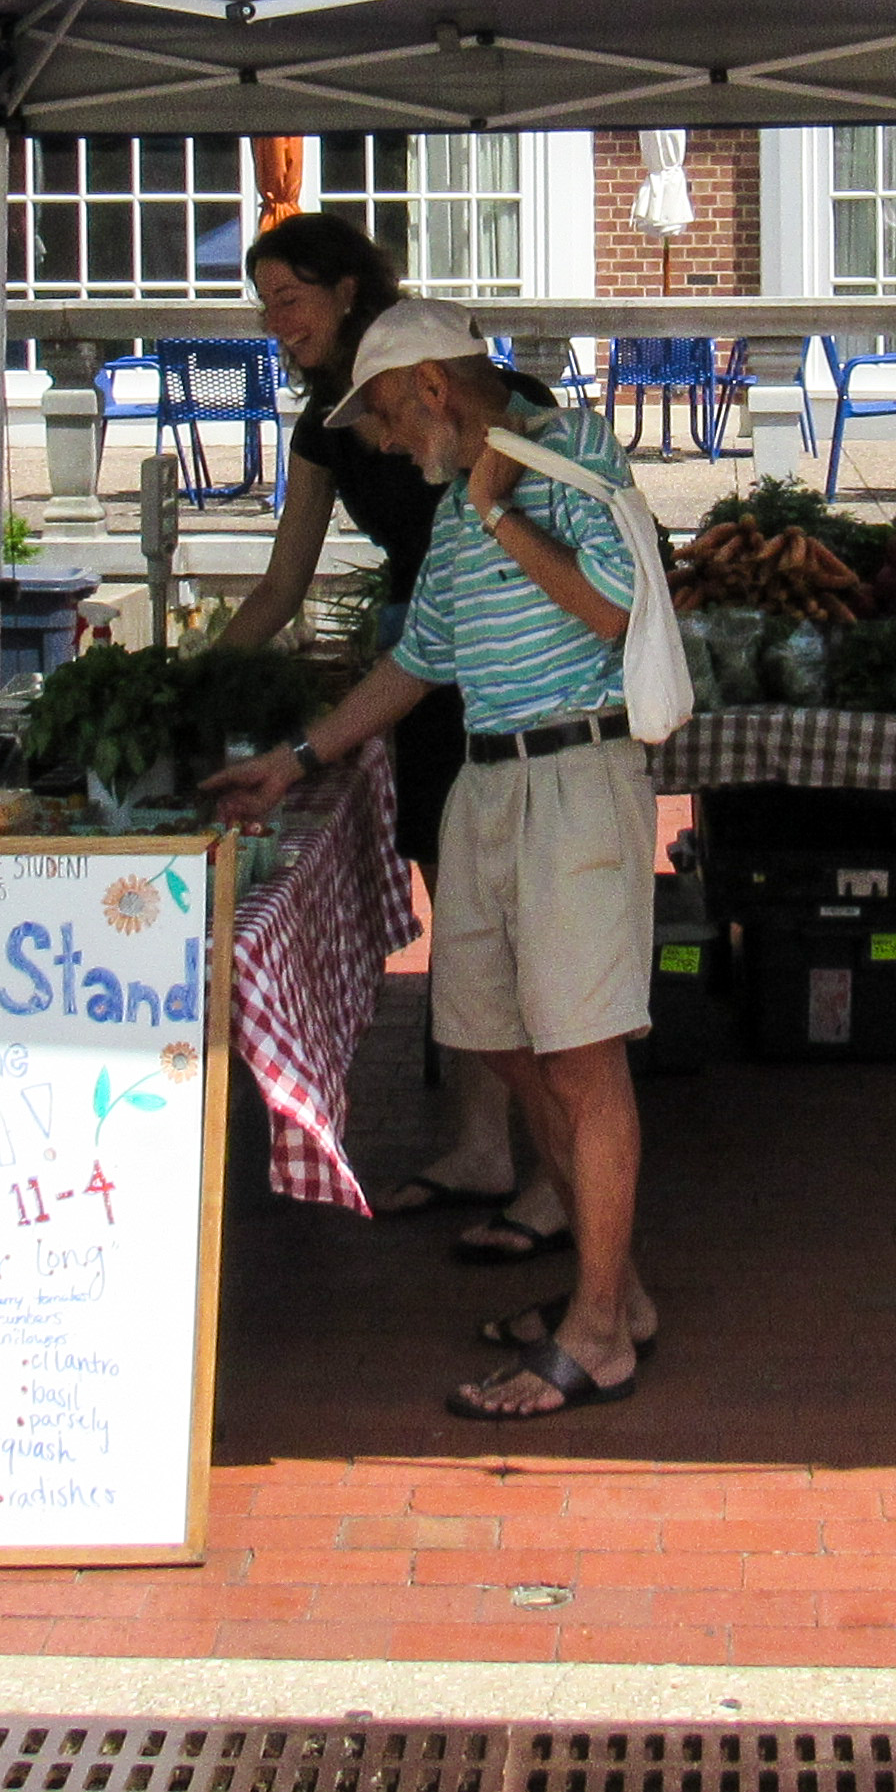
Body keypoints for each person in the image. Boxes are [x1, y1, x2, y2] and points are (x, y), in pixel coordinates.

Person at [209, 302, 655, 1424]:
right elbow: (422, 658)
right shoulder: (461, 502)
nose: (392, 449)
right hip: (489, 783)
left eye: (390, 425)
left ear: (431, 392)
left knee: (585, 1061)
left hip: (575, 779)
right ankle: (619, 1293)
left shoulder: (568, 452)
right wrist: (296, 757)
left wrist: (506, 518)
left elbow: (614, 612)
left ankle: (598, 1332)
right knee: (500, 1040)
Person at [217, 212, 569, 1256]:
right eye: (266, 307)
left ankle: (554, 1173)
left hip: (511, 672)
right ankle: (479, 1146)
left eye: (288, 300)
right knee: (459, 906)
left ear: (344, 290)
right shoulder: (326, 426)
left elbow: (588, 576)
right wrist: (196, 674)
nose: (277, 325)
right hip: (425, 659)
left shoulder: (491, 408)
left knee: (513, 928)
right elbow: (283, 583)